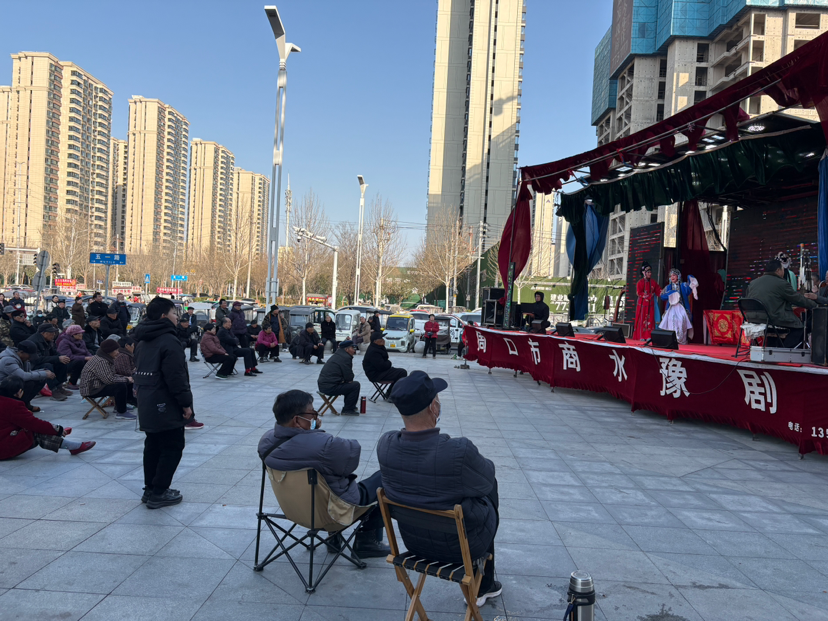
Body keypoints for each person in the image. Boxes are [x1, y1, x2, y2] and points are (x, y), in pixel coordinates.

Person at [378, 371, 502, 608]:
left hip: (414, 543)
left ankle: (484, 584)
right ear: (433, 407)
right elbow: (488, 476)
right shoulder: (458, 451)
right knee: (487, 487)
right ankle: (483, 585)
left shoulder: (385, 444)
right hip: (462, 548)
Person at [258, 389, 390, 556]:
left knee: (328, 482)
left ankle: (334, 537)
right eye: (312, 413)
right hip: (333, 512)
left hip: (295, 510)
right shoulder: (324, 445)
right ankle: (367, 541)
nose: (315, 416)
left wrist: (310, 431)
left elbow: (304, 445)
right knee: (386, 477)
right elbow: (350, 458)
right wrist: (315, 433)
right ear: (297, 420)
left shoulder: (266, 441)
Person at [133, 297, 196, 509]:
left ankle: (150, 489)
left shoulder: (143, 339)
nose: (177, 317)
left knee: (152, 445)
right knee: (172, 446)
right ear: (163, 316)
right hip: (165, 401)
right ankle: (159, 492)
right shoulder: (168, 340)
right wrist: (185, 404)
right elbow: (176, 377)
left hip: (147, 399)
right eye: (174, 313)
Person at [0, 376, 95, 459]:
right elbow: (34, 424)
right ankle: (71, 446)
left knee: (39, 427)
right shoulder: (13, 405)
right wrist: (57, 429)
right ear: (19, 392)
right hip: (3, 448)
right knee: (35, 431)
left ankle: (67, 443)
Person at [746, 258, 818, 348]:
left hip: (753, 318)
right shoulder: (781, 283)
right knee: (799, 326)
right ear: (778, 270)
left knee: (775, 324)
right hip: (771, 318)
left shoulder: (753, 283)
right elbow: (798, 299)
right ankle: (786, 350)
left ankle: (773, 347)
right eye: (783, 269)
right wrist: (815, 305)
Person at [79, 338, 135, 419]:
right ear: (109, 351)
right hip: (92, 389)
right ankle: (121, 412)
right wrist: (126, 380)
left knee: (126, 381)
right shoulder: (102, 361)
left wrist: (126, 378)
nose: (118, 352)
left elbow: (112, 375)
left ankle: (120, 406)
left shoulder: (105, 358)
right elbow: (109, 380)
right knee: (120, 386)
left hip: (98, 385)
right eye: (116, 350)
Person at [0, 341, 53, 411]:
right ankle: (19, 407)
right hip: (3, 387)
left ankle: (25, 404)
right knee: (29, 383)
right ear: (21, 352)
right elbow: (23, 376)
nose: (30, 358)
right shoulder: (8, 360)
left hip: (12, 384)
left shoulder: (23, 359)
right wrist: (44, 374)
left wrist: (43, 372)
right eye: (29, 355)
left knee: (40, 379)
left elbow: (28, 373)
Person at [24, 324, 71, 401]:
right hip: (32, 365)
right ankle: (54, 390)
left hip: (43, 361)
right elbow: (37, 360)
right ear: (43, 333)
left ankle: (59, 387)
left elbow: (54, 352)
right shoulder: (33, 341)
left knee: (62, 363)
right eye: (51, 333)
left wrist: (62, 357)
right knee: (47, 366)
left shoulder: (47, 340)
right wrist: (57, 358)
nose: (53, 335)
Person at [317, 340, 360, 414]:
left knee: (349, 385)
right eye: (352, 348)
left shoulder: (338, 355)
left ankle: (350, 406)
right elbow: (349, 376)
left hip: (323, 385)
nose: (354, 351)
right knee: (355, 385)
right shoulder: (345, 358)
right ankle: (348, 409)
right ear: (346, 349)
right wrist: (347, 380)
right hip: (330, 387)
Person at [659, 268, 697, 345]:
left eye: (674, 275)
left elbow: (689, 289)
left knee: (681, 321)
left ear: (678, 276)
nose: (672, 277)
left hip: (681, 308)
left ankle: (681, 340)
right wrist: (670, 293)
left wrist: (690, 277)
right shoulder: (668, 287)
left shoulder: (683, 285)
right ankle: (671, 340)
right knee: (671, 321)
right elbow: (662, 296)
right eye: (670, 276)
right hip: (671, 308)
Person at [363, 331, 407, 396]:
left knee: (400, 372)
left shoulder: (378, 347)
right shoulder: (374, 351)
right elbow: (382, 366)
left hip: (380, 371)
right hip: (376, 374)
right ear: (375, 341)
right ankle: (391, 394)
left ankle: (391, 392)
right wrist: (389, 363)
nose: (383, 340)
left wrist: (387, 363)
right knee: (402, 373)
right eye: (380, 339)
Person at [56, 324, 91, 390]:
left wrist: (91, 357)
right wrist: (84, 358)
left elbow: (86, 352)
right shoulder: (64, 342)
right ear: (73, 334)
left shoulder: (81, 341)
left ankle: (89, 382)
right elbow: (68, 357)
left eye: (81, 333)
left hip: (79, 359)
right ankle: (72, 382)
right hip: (66, 363)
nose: (81, 335)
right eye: (79, 333)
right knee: (79, 362)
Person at [633, 262, 662, 341]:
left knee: (650, 320)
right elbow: (639, 292)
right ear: (643, 273)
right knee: (642, 320)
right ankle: (641, 336)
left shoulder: (653, 282)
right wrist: (647, 295)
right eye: (648, 272)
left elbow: (658, 290)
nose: (650, 274)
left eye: (650, 272)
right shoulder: (640, 282)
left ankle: (649, 336)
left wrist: (664, 293)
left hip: (650, 305)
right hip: (642, 305)